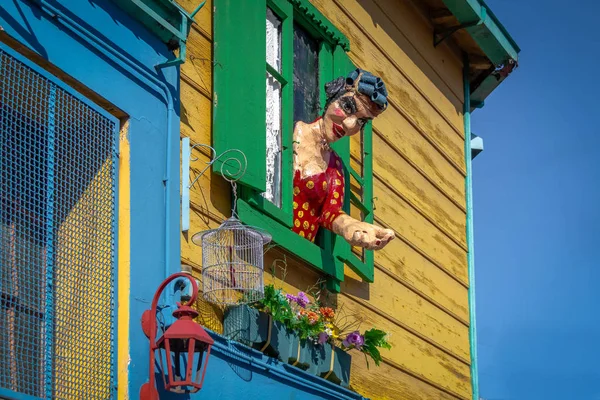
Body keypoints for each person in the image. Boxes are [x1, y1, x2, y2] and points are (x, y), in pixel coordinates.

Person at [292, 69, 395, 251]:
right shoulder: (283, 128)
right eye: (348, 107)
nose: (350, 124)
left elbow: (330, 213)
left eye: (361, 122)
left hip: (295, 256)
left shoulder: (335, 168)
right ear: (333, 95)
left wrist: (351, 226)